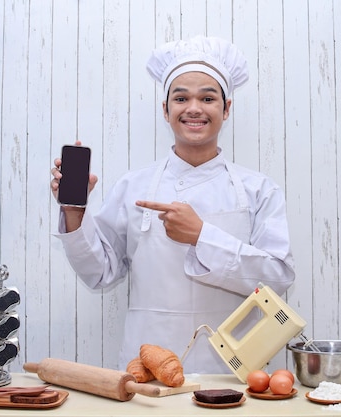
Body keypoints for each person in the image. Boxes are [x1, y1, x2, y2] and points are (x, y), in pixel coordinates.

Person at [50, 36, 296, 374]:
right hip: (147, 365)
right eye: (181, 97)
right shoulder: (132, 187)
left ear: (226, 109)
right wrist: (75, 216)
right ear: (166, 110)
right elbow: (100, 273)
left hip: (232, 369)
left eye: (207, 97)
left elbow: (277, 279)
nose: (194, 107)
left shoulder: (259, 190)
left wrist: (202, 237)